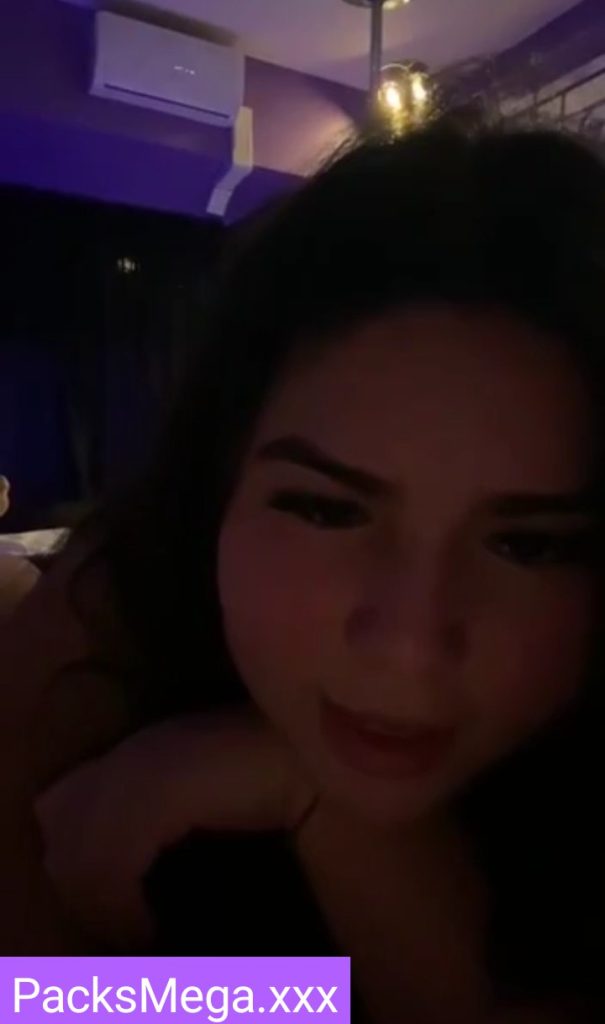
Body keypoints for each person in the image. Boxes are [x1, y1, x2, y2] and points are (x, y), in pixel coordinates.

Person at [2, 116, 605, 1024]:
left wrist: (314, 803)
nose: (407, 648)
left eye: (529, 545)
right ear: (219, 482)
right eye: (326, 510)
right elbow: (29, 995)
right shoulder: (114, 601)